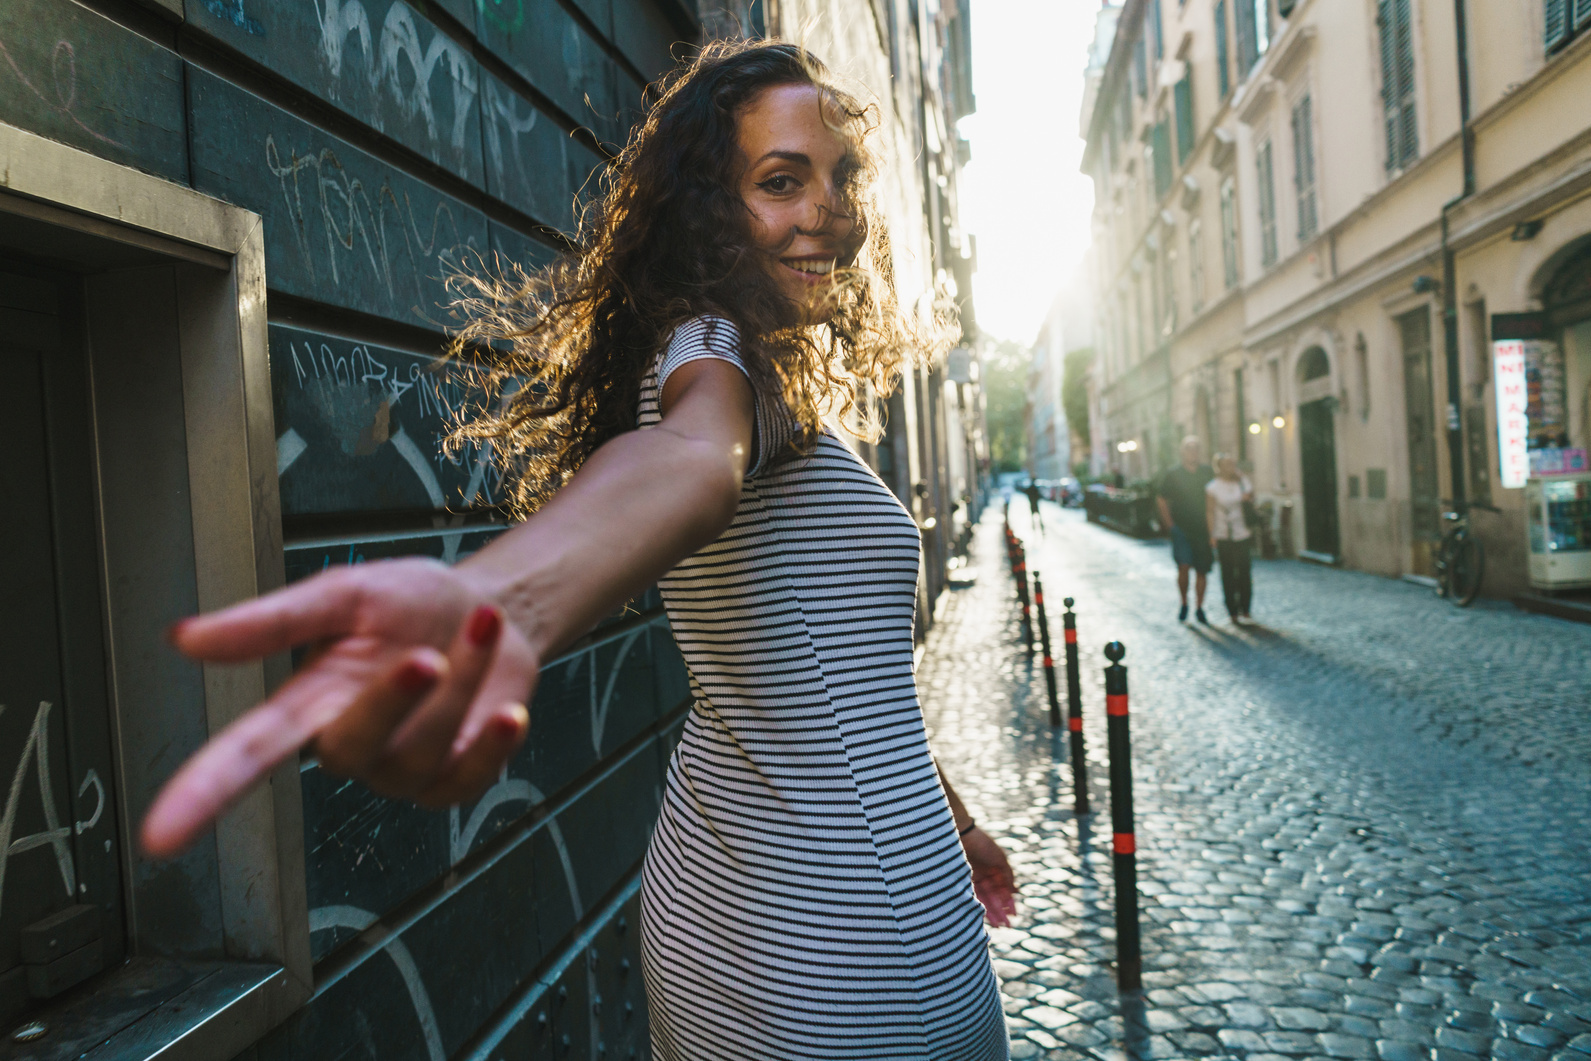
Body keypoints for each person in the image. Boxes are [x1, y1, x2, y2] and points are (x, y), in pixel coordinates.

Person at [140, 42, 1014, 1061]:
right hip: (818, 950)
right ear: (709, 210)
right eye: (781, 181)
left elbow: (853, 687)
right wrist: (497, 604)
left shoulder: (777, 376)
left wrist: (950, 818)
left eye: (840, 176)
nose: (828, 209)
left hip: (843, 901)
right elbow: (691, 462)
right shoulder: (714, 353)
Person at [1156, 437, 1215, 623]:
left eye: (1196, 448)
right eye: (1189, 448)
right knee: (1183, 567)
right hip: (1181, 529)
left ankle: (1199, 607)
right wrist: (1170, 525)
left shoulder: (1207, 472)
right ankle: (1184, 603)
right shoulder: (1173, 473)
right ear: (1183, 452)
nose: (1192, 452)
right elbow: (1161, 499)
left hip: (1203, 529)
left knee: (1202, 570)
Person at [1206, 453, 1254, 622]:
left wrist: (1241, 480)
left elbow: (1251, 496)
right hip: (1223, 533)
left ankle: (1245, 607)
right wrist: (1212, 534)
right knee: (1227, 572)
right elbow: (1210, 511)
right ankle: (1232, 610)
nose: (1230, 467)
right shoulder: (1213, 487)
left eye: (1232, 464)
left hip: (1242, 531)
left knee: (1244, 571)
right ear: (1219, 467)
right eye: (1226, 464)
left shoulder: (1242, 482)